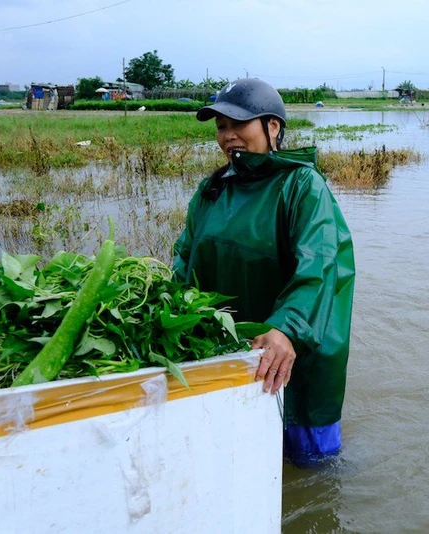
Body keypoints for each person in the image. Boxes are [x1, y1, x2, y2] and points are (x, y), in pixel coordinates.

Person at [172, 78, 355, 465]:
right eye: (221, 126)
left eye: (239, 123)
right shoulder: (213, 190)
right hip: (231, 352)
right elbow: (184, 258)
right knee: (238, 460)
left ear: (273, 127)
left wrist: (287, 328)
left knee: (314, 472)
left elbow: (319, 265)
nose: (228, 135)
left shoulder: (302, 186)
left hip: (295, 351)